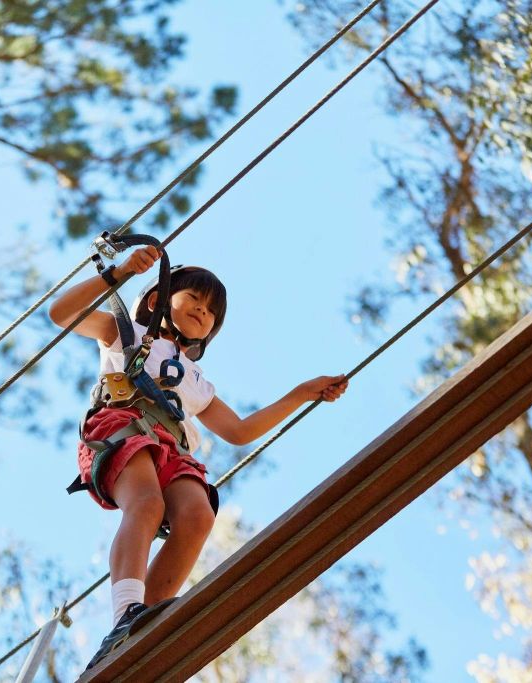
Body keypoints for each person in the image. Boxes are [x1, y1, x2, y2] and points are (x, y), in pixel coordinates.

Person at [49, 244, 348, 669]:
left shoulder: (195, 381)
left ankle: (144, 628)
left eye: (211, 312)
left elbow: (239, 430)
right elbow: (61, 314)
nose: (203, 312)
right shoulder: (127, 333)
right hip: (123, 426)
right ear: (158, 300)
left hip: (168, 445)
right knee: (148, 504)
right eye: (194, 299)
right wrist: (115, 275)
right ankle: (125, 612)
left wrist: (303, 393)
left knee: (197, 516)